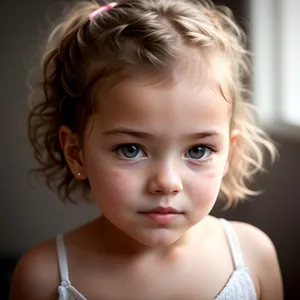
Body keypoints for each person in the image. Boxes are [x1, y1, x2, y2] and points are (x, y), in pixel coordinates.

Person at [10, 0, 283, 299]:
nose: (166, 183)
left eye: (198, 151)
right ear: (76, 152)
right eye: (130, 149)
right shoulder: (44, 277)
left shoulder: (252, 256)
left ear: (228, 153)